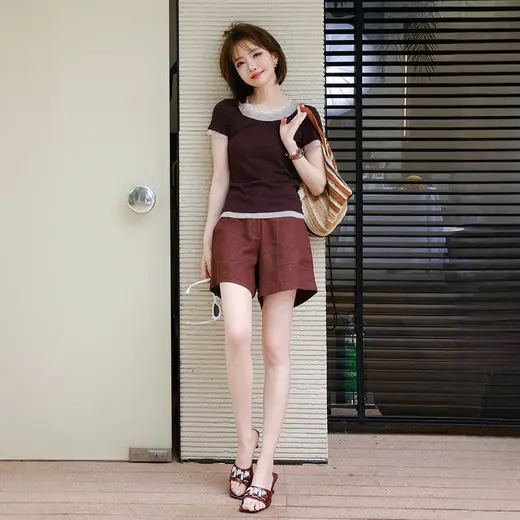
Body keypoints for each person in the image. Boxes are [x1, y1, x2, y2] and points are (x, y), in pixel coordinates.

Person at [201, 22, 326, 514]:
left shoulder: (304, 116)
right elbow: (220, 180)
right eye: (239, 62)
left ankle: (266, 462)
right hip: (234, 229)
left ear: (274, 55)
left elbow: (317, 186)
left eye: (255, 55)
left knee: (276, 348)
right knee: (237, 334)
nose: (249, 66)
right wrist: (207, 239)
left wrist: (291, 143)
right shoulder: (227, 113)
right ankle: (245, 442)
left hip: (285, 230)